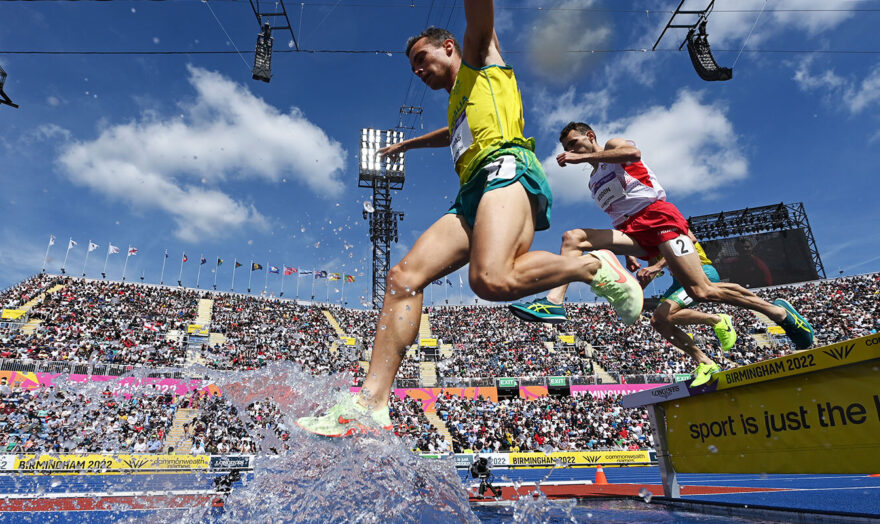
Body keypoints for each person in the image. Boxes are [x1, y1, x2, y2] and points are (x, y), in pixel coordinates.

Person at [296, 2, 643, 438]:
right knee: (403, 277)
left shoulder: (482, 61)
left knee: (490, 281)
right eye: (412, 67)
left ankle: (592, 266)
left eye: (422, 59)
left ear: (448, 47)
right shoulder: (458, 101)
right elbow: (450, 133)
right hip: (472, 191)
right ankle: (371, 402)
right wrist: (406, 147)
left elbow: (480, 15)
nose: (417, 71)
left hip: (506, 168)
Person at [509, 122, 813, 386]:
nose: (571, 150)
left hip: (659, 218)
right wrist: (629, 255)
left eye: (574, 143)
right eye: (566, 147)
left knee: (702, 290)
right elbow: (618, 211)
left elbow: (633, 155)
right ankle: (553, 303)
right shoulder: (592, 182)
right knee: (572, 238)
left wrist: (585, 156)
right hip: (632, 231)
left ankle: (778, 313)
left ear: (590, 136)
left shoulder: (613, 146)